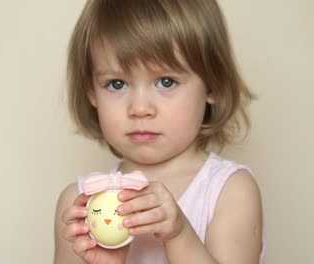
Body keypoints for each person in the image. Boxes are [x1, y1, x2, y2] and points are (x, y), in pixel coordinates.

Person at [54, 0, 265, 263]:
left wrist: (179, 236)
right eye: (116, 83)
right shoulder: (79, 203)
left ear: (213, 86)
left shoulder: (230, 191)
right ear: (91, 92)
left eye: (167, 81)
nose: (140, 108)